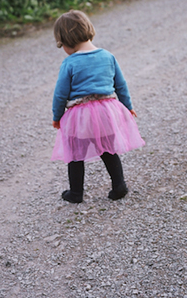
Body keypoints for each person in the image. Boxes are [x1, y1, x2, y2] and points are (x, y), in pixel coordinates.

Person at [51, 10, 144, 203]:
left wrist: (57, 116)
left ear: (67, 41)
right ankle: (119, 186)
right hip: (107, 112)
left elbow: (60, 94)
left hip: (81, 116)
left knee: (76, 154)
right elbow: (120, 84)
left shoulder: (69, 63)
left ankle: (76, 193)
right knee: (109, 150)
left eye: (62, 45)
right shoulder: (108, 56)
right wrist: (128, 106)